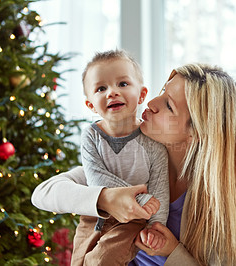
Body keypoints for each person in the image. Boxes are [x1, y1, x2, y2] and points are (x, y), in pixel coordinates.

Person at [32, 63, 236, 265]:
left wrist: (172, 252)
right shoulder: (129, 161)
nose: (151, 103)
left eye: (169, 105)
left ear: (196, 132)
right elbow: (43, 193)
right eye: (162, 92)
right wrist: (105, 198)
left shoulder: (221, 208)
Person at [69, 49, 170, 265]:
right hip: (94, 213)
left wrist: (155, 227)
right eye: (101, 88)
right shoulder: (91, 135)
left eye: (122, 84)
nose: (112, 92)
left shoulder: (152, 142)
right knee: (78, 260)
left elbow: (160, 188)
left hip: (131, 219)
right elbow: (96, 178)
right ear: (90, 105)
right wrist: (140, 197)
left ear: (142, 94)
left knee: (102, 260)